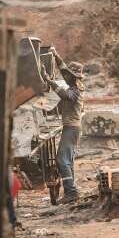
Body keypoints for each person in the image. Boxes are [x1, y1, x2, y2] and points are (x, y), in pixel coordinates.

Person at [42, 55, 85, 203]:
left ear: (73, 77)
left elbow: (65, 95)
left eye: (68, 75)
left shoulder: (75, 90)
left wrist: (50, 82)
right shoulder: (74, 84)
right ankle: (71, 190)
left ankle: (71, 192)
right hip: (72, 128)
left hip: (72, 128)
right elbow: (64, 69)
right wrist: (56, 57)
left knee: (62, 160)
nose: (65, 76)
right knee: (68, 161)